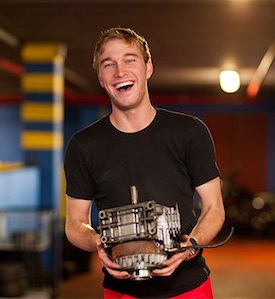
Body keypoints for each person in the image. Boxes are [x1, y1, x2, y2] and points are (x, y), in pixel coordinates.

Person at [64, 27, 225, 299]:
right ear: (101, 78)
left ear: (148, 67)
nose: (119, 71)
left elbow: (214, 208)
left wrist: (192, 245)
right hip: (122, 292)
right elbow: (74, 223)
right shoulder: (83, 146)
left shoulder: (189, 132)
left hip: (187, 288)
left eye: (130, 59)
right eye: (108, 64)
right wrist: (98, 242)